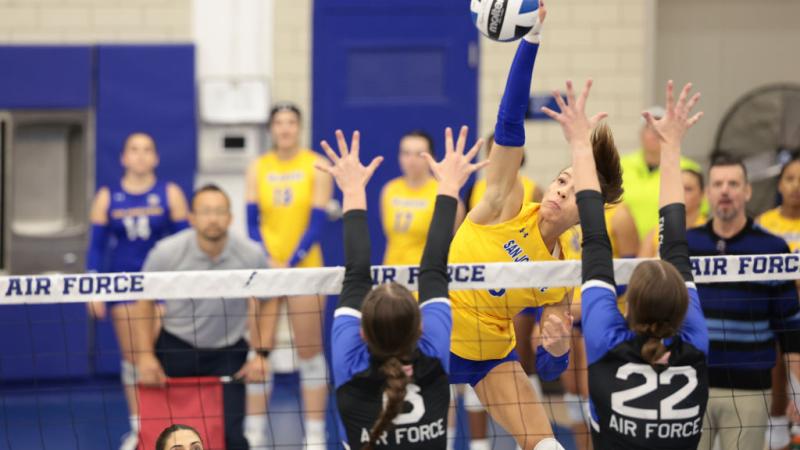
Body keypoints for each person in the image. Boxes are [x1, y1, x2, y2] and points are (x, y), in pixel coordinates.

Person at [447, 3, 624, 448]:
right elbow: (508, 125)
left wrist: (558, 345)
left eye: (572, 188)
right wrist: (532, 39)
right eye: (561, 179)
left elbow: (548, 368)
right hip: (434, 336)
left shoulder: (560, 275)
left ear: (586, 209)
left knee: (546, 445)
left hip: (489, 357)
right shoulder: (506, 203)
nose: (560, 190)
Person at [550, 79, 709, 449]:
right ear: (682, 307)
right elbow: (667, 246)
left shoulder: (608, 341)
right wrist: (672, 148)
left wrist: (579, 145)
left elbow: (597, 238)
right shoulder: (694, 344)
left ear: (630, 303)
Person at [320, 126, 486, 449]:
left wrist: (352, 189)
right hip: (405, 292)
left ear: (363, 334)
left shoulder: (349, 367)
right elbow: (435, 267)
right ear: (419, 329)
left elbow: (356, 274)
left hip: (410, 296)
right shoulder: (435, 357)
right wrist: (451, 187)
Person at [132, 184, 279, 450]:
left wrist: (262, 354)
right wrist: (144, 355)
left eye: (220, 211)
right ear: (192, 217)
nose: (213, 218)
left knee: (232, 438)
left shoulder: (250, 254)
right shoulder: (166, 252)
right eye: (206, 211)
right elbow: (144, 303)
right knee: (166, 436)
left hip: (228, 352)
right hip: (176, 347)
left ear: (231, 218)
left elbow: (270, 300)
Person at [687, 153, 800, 450]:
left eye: (734, 183)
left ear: (747, 191)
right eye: (718, 183)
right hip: (690, 387)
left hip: (750, 389)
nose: (725, 190)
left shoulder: (773, 248)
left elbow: (790, 330)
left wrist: (798, 392)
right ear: (708, 193)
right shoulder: (686, 245)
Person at [85, 132, 190, 450]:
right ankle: (140, 428)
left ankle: (173, 428)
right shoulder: (108, 196)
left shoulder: (169, 194)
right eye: (134, 149)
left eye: (147, 150)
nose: (141, 155)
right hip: (123, 288)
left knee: (163, 358)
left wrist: (186, 285)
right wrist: (94, 289)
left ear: (156, 157)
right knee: (133, 361)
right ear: (124, 158)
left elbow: (186, 244)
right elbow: (96, 248)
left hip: (162, 289)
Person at [245, 102, 333, 447]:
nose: (284, 128)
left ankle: (314, 435)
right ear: (271, 129)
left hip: (306, 271)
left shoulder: (316, 164)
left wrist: (292, 260)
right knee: (259, 352)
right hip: (266, 270)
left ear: (299, 127)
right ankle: (252, 434)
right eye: (279, 123)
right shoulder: (258, 167)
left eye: (291, 122)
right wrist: (268, 259)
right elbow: (252, 222)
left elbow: (317, 223)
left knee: (310, 354)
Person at [757, 157, 800, 450]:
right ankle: (776, 438)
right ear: (780, 184)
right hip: (773, 316)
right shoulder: (763, 224)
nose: (797, 186)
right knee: (773, 372)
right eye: (790, 178)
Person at [381, 130, 465, 265]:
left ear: (432, 157)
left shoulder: (443, 192)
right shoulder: (390, 189)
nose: (411, 160)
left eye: (419, 154)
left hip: (425, 274)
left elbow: (454, 238)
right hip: (392, 274)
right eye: (406, 153)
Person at [620, 106, 702, 242]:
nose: (655, 132)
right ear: (640, 134)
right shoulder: (620, 166)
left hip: (674, 242)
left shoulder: (689, 169)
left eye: (661, 127)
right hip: (626, 249)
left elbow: (699, 212)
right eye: (650, 127)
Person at [638, 169, 706, 257]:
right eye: (677, 188)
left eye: (688, 189)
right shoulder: (655, 234)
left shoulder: (710, 232)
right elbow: (640, 268)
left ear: (702, 194)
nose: (681, 193)